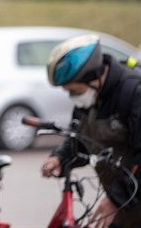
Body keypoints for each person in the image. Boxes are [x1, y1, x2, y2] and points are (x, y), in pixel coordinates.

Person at [41, 34, 141, 228]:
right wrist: (60, 159)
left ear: (94, 77)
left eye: (75, 91)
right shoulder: (87, 100)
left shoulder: (134, 93)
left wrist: (115, 199)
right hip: (124, 210)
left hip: (125, 201)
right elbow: (81, 141)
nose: (73, 97)